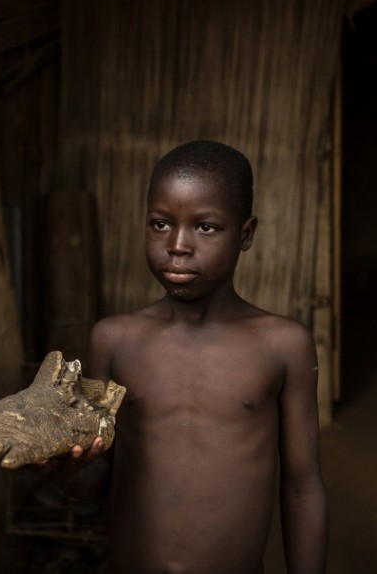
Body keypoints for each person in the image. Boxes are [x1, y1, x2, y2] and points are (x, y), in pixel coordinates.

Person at [57, 140, 328, 574]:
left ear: (246, 234)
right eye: (160, 224)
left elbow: (301, 488)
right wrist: (63, 471)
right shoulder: (114, 340)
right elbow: (102, 480)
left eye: (205, 227)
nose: (177, 245)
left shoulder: (283, 345)